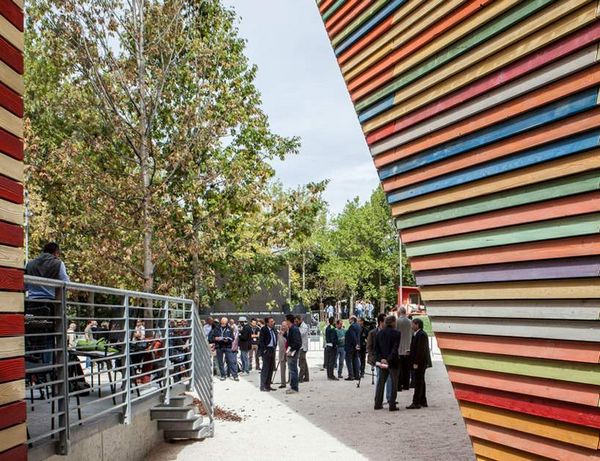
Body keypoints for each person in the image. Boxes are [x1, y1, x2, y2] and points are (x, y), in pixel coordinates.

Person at [374, 316, 400, 411]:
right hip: (393, 361)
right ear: (393, 322)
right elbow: (395, 349)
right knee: (393, 383)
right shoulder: (397, 333)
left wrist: (382, 359)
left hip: (382, 361)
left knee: (380, 383)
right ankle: (392, 404)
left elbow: (376, 349)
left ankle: (377, 403)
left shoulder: (379, 333)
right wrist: (388, 359)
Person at [407, 318, 432, 409]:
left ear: (417, 324)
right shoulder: (419, 334)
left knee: (418, 382)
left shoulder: (421, 335)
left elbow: (421, 350)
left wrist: (416, 362)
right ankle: (422, 400)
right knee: (421, 381)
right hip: (420, 361)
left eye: (412, 324)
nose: (411, 326)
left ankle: (416, 402)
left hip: (420, 362)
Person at [209, 317, 238, 381]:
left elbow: (232, 338)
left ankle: (235, 375)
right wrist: (216, 338)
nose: (223, 324)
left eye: (224, 323)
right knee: (220, 362)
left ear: (226, 323)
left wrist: (227, 339)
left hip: (227, 346)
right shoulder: (216, 328)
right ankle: (223, 375)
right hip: (219, 346)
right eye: (222, 323)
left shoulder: (230, 329)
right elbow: (211, 338)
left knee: (231, 361)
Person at [258, 316, 277, 391]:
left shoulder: (274, 329)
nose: (273, 322)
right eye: (271, 321)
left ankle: (268, 385)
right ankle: (262, 386)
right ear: (267, 323)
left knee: (271, 368)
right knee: (265, 368)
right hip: (267, 350)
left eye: (273, 321)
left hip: (272, 349)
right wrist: (264, 350)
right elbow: (261, 340)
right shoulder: (264, 329)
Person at [284, 314, 302, 394]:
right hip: (291, 350)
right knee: (291, 369)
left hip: (293, 352)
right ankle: (292, 386)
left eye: (286, 320)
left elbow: (297, 343)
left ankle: (294, 387)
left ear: (288, 321)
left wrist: (291, 350)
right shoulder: (291, 329)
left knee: (293, 370)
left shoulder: (294, 329)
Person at [396, 307, 412, 391]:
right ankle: (406, 385)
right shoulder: (410, 322)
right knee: (407, 368)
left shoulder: (397, 321)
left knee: (399, 368)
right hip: (408, 348)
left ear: (399, 312)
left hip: (399, 348)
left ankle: (399, 385)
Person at [344, 316, 361, 381]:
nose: (349, 320)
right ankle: (357, 375)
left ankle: (351, 376)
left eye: (349, 319)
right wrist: (357, 345)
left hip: (350, 346)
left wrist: (355, 344)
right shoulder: (358, 326)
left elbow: (353, 336)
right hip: (356, 346)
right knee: (355, 360)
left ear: (352, 319)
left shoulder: (352, 326)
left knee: (349, 361)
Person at [296, 315, 310, 383]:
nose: (296, 323)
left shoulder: (304, 326)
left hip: (303, 347)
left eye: (297, 321)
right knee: (304, 362)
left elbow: (300, 334)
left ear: (300, 320)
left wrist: (295, 329)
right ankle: (306, 377)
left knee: (301, 363)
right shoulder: (299, 326)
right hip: (301, 347)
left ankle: (300, 377)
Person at [277, 321, 288, 389]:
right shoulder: (279, 334)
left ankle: (291, 381)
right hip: (281, 353)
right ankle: (283, 383)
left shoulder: (289, 333)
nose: (283, 327)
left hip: (289, 353)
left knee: (290, 368)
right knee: (282, 369)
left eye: (284, 326)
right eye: (282, 325)